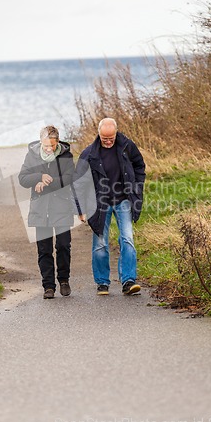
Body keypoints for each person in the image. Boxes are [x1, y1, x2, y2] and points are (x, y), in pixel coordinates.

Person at [73, 118, 146, 295]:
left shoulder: (127, 147)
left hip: (124, 200)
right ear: (99, 134)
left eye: (111, 138)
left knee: (127, 238)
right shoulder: (89, 154)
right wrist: (80, 208)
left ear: (116, 133)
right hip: (100, 203)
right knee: (100, 242)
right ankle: (102, 283)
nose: (108, 141)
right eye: (104, 138)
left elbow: (139, 166)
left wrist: (136, 187)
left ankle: (128, 281)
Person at [18, 125, 74, 299]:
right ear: (41, 142)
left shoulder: (66, 155)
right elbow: (22, 179)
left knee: (63, 246)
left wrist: (47, 182)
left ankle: (63, 280)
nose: (49, 149)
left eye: (52, 145)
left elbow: (69, 178)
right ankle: (48, 286)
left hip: (62, 207)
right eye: (46, 146)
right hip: (40, 209)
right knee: (44, 249)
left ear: (57, 142)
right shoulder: (32, 156)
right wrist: (38, 177)